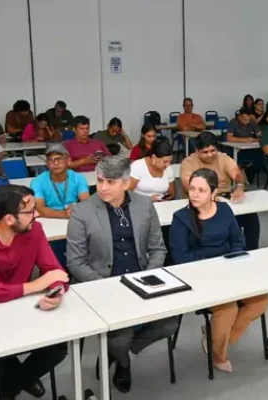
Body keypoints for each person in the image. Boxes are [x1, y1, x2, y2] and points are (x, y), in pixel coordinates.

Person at [65, 156, 177, 393]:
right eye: (100, 180)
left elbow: (158, 249)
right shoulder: (82, 212)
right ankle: (123, 362)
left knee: (169, 323)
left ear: (126, 183)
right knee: (120, 336)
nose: (103, 187)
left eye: (110, 182)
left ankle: (114, 354)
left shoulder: (144, 205)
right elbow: (75, 261)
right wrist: (106, 286)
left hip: (140, 280)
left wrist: (146, 278)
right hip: (101, 284)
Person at [0, 184, 70, 400]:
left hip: (22, 310)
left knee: (57, 349)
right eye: (29, 212)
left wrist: (56, 291)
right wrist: (35, 286)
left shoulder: (34, 230)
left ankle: (9, 387)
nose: (37, 214)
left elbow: (55, 273)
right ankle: (20, 380)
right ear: (9, 219)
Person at [168, 168, 268, 373]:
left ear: (214, 193)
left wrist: (232, 259)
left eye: (202, 190)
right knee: (228, 308)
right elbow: (181, 258)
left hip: (229, 270)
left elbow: (238, 242)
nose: (195, 194)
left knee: (261, 300)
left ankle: (216, 339)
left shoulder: (224, 211)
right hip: (198, 277)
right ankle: (218, 355)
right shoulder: (181, 218)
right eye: (192, 189)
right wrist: (217, 259)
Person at [181, 132, 261, 250]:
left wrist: (239, 186)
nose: (210, 155)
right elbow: (187, 185)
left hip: (224, 199)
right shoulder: (188, 162)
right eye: (205, 152)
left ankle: (252, 250)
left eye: (213, 150)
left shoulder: (223, 158)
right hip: (200, 203)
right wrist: (209, 198)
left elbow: (237, 174)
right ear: (197, 151)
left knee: (251, 217)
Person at [30, 143, 91, 219]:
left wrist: (75, 211)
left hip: (73, 217)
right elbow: (39, 208)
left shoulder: (78, 178)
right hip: (48, 219)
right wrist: (63, 214)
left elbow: (87, 204)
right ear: (47, 164)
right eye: (51, 159)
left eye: (59, 158)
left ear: (68, 161)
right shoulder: (37, 182)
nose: (55, 163)